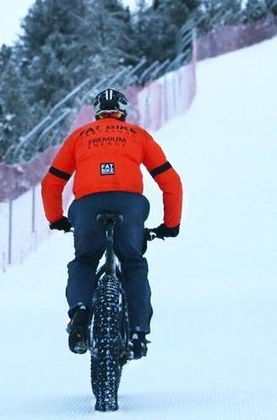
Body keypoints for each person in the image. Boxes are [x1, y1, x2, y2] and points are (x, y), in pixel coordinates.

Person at [40, 88, 182, 360]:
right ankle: (139, 332)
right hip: (129, 207)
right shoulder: (137, 135)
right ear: (123, 112)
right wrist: (170, 224)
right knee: (133, 263)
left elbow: (51, 184)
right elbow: (170, 182)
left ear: (97, 113)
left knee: (83, 260)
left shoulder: (79, 136)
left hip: (87, 208)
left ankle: (80, 312)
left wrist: (56, 219)